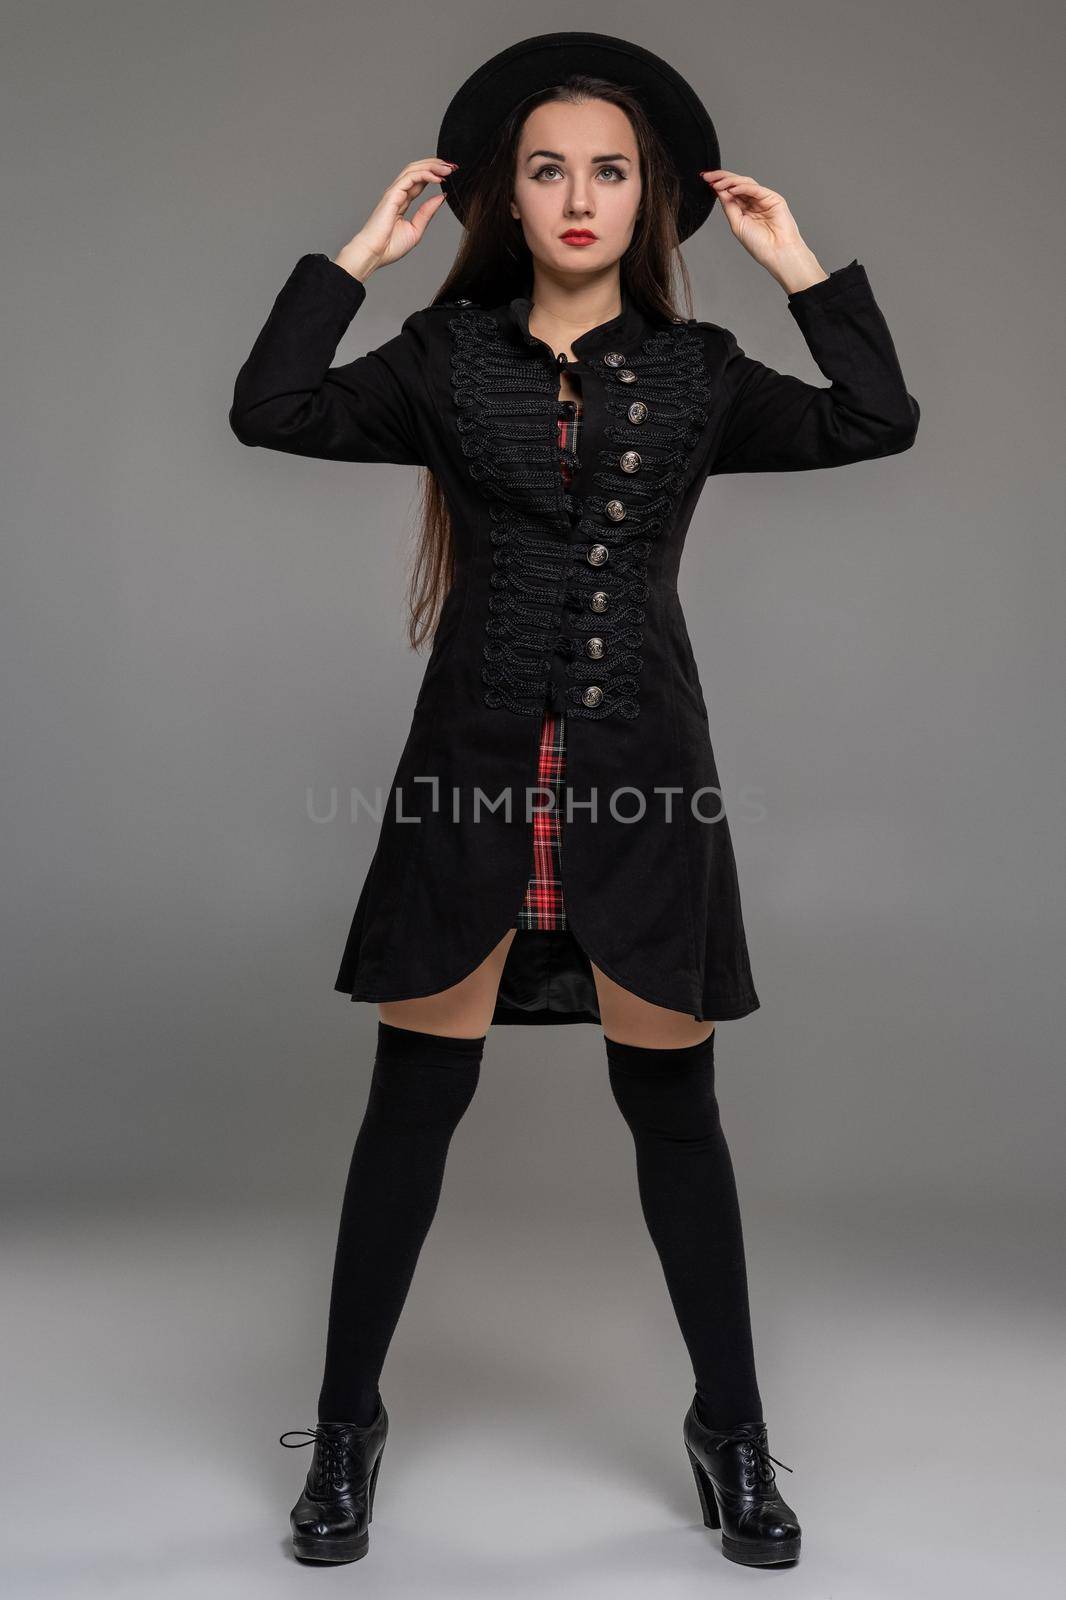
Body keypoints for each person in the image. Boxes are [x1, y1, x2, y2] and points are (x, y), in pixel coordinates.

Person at [231, 31, 919, 1570]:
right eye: (548, 170)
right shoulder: (440, 357)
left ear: (653, 198)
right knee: (412, 1109)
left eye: (610, 170)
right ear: (509, 200)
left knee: (673, 1113)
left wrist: (798, 264)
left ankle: (727, 1433)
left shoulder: (698, 376)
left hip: (640, 784)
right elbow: (268, 408)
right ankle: (347, 1428)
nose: (580, 196)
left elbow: (875, 420)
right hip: (471, 783)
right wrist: (359, 253)